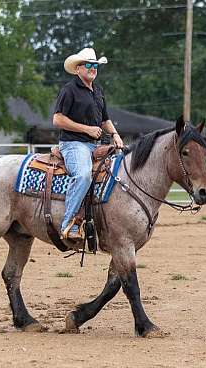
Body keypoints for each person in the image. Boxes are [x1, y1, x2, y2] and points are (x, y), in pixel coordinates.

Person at [52, 47, 124, 240]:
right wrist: (86, 129)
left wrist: (115, 135)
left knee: (121, 173)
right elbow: (57, 119)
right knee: (83, 175)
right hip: (74, 144)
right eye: (89, 65)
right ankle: (68, 224)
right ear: (78, 69)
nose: (93, 69)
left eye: (96, 66)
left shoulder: (98, 91)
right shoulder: (69, 90)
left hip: (95, 145)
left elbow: (105, 120)